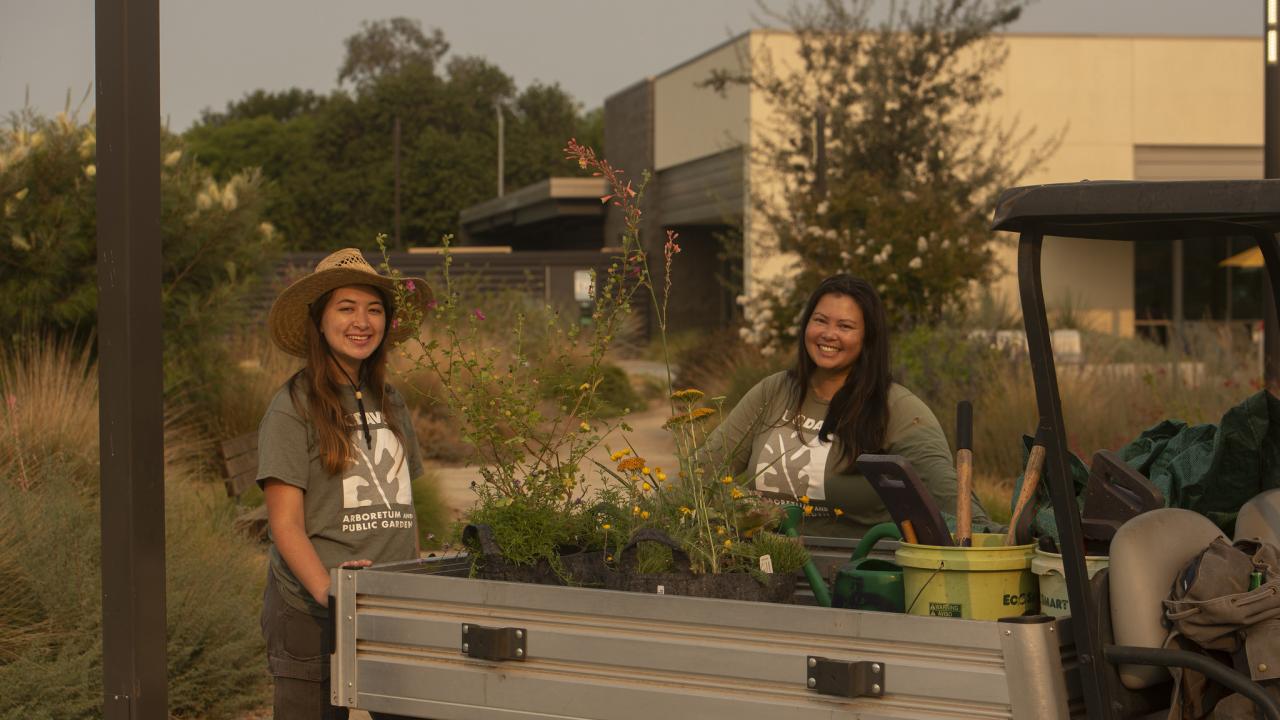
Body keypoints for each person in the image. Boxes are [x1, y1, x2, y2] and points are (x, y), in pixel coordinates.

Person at [257, 248, 430, 719]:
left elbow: (406, 505)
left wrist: (411, 574)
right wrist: (329, 591)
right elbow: (285, 524)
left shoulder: (390, 400)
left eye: (374, 309)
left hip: (389, 605)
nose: (362, 321)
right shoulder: (292, 407)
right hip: (312, 613)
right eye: (347, 308)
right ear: (319, 320)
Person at [708, 273, 990, 538]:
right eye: (820, 320)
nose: (829, 334)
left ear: (867, 338)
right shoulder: (773, 391)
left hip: (853, 571)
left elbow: (954, 501)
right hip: (765, 566)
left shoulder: (898, 409)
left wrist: (998, 535)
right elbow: (704, 471)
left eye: (845, 326)